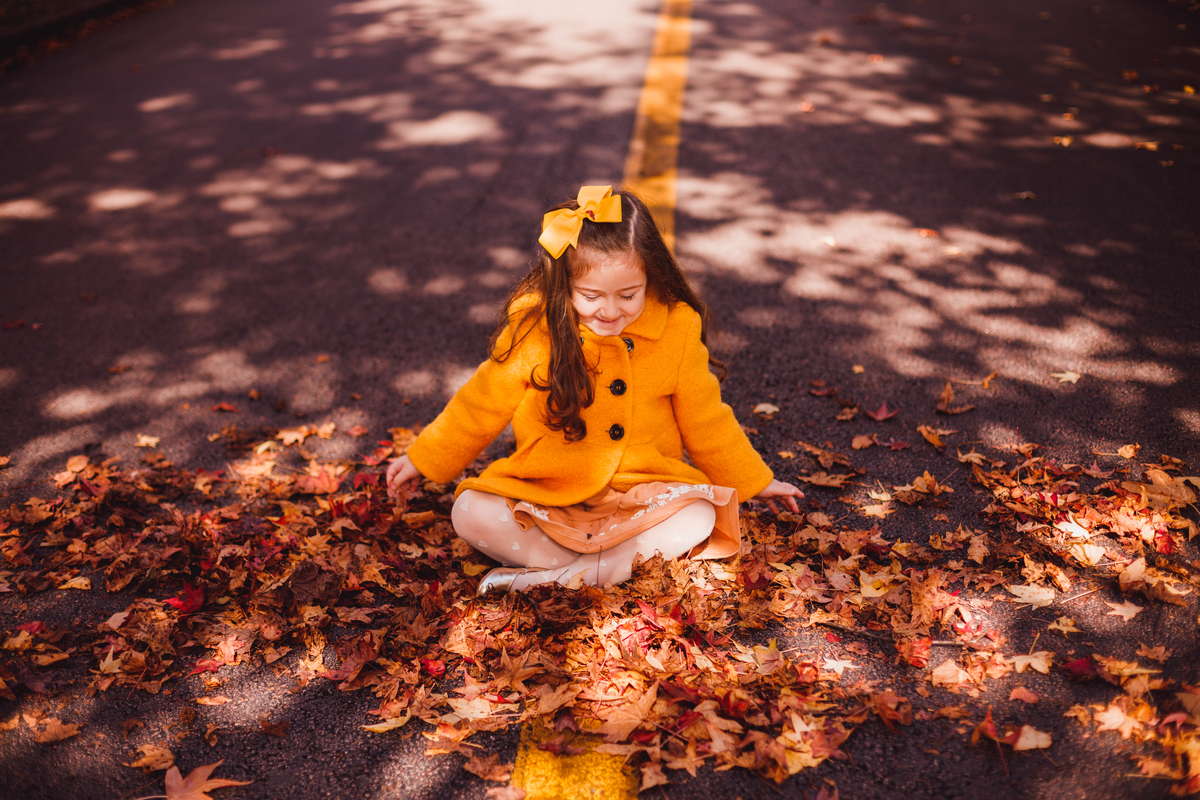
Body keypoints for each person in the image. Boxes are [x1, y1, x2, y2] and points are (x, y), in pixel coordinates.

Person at [386, 185, 803, 594]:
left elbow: (707, 420)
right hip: (547, 489)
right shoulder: (537, 327)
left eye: (628, 295)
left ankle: (557, 580)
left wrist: (755, 480)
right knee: (469, 511)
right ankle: (598, 572)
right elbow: (483, 400)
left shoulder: (676, 328)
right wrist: (425, 457)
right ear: (564, 285)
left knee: (699, 516)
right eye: (590, 295)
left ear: (650, 277)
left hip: (642, 493)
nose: (609, 310)